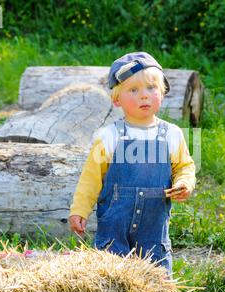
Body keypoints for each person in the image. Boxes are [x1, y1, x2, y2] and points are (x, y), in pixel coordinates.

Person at [68, 52, 196, 277]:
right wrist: (80, 209)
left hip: (153, 233)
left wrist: (184, 182)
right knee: (111, 280)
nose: (144, 96)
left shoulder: (172, 134)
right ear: (117, 99)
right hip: (114, 230)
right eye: (133, 90)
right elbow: (91, 178)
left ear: (162, 93)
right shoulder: (108, 136)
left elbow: (184, 166)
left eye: (151, 88)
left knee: (156, 283)